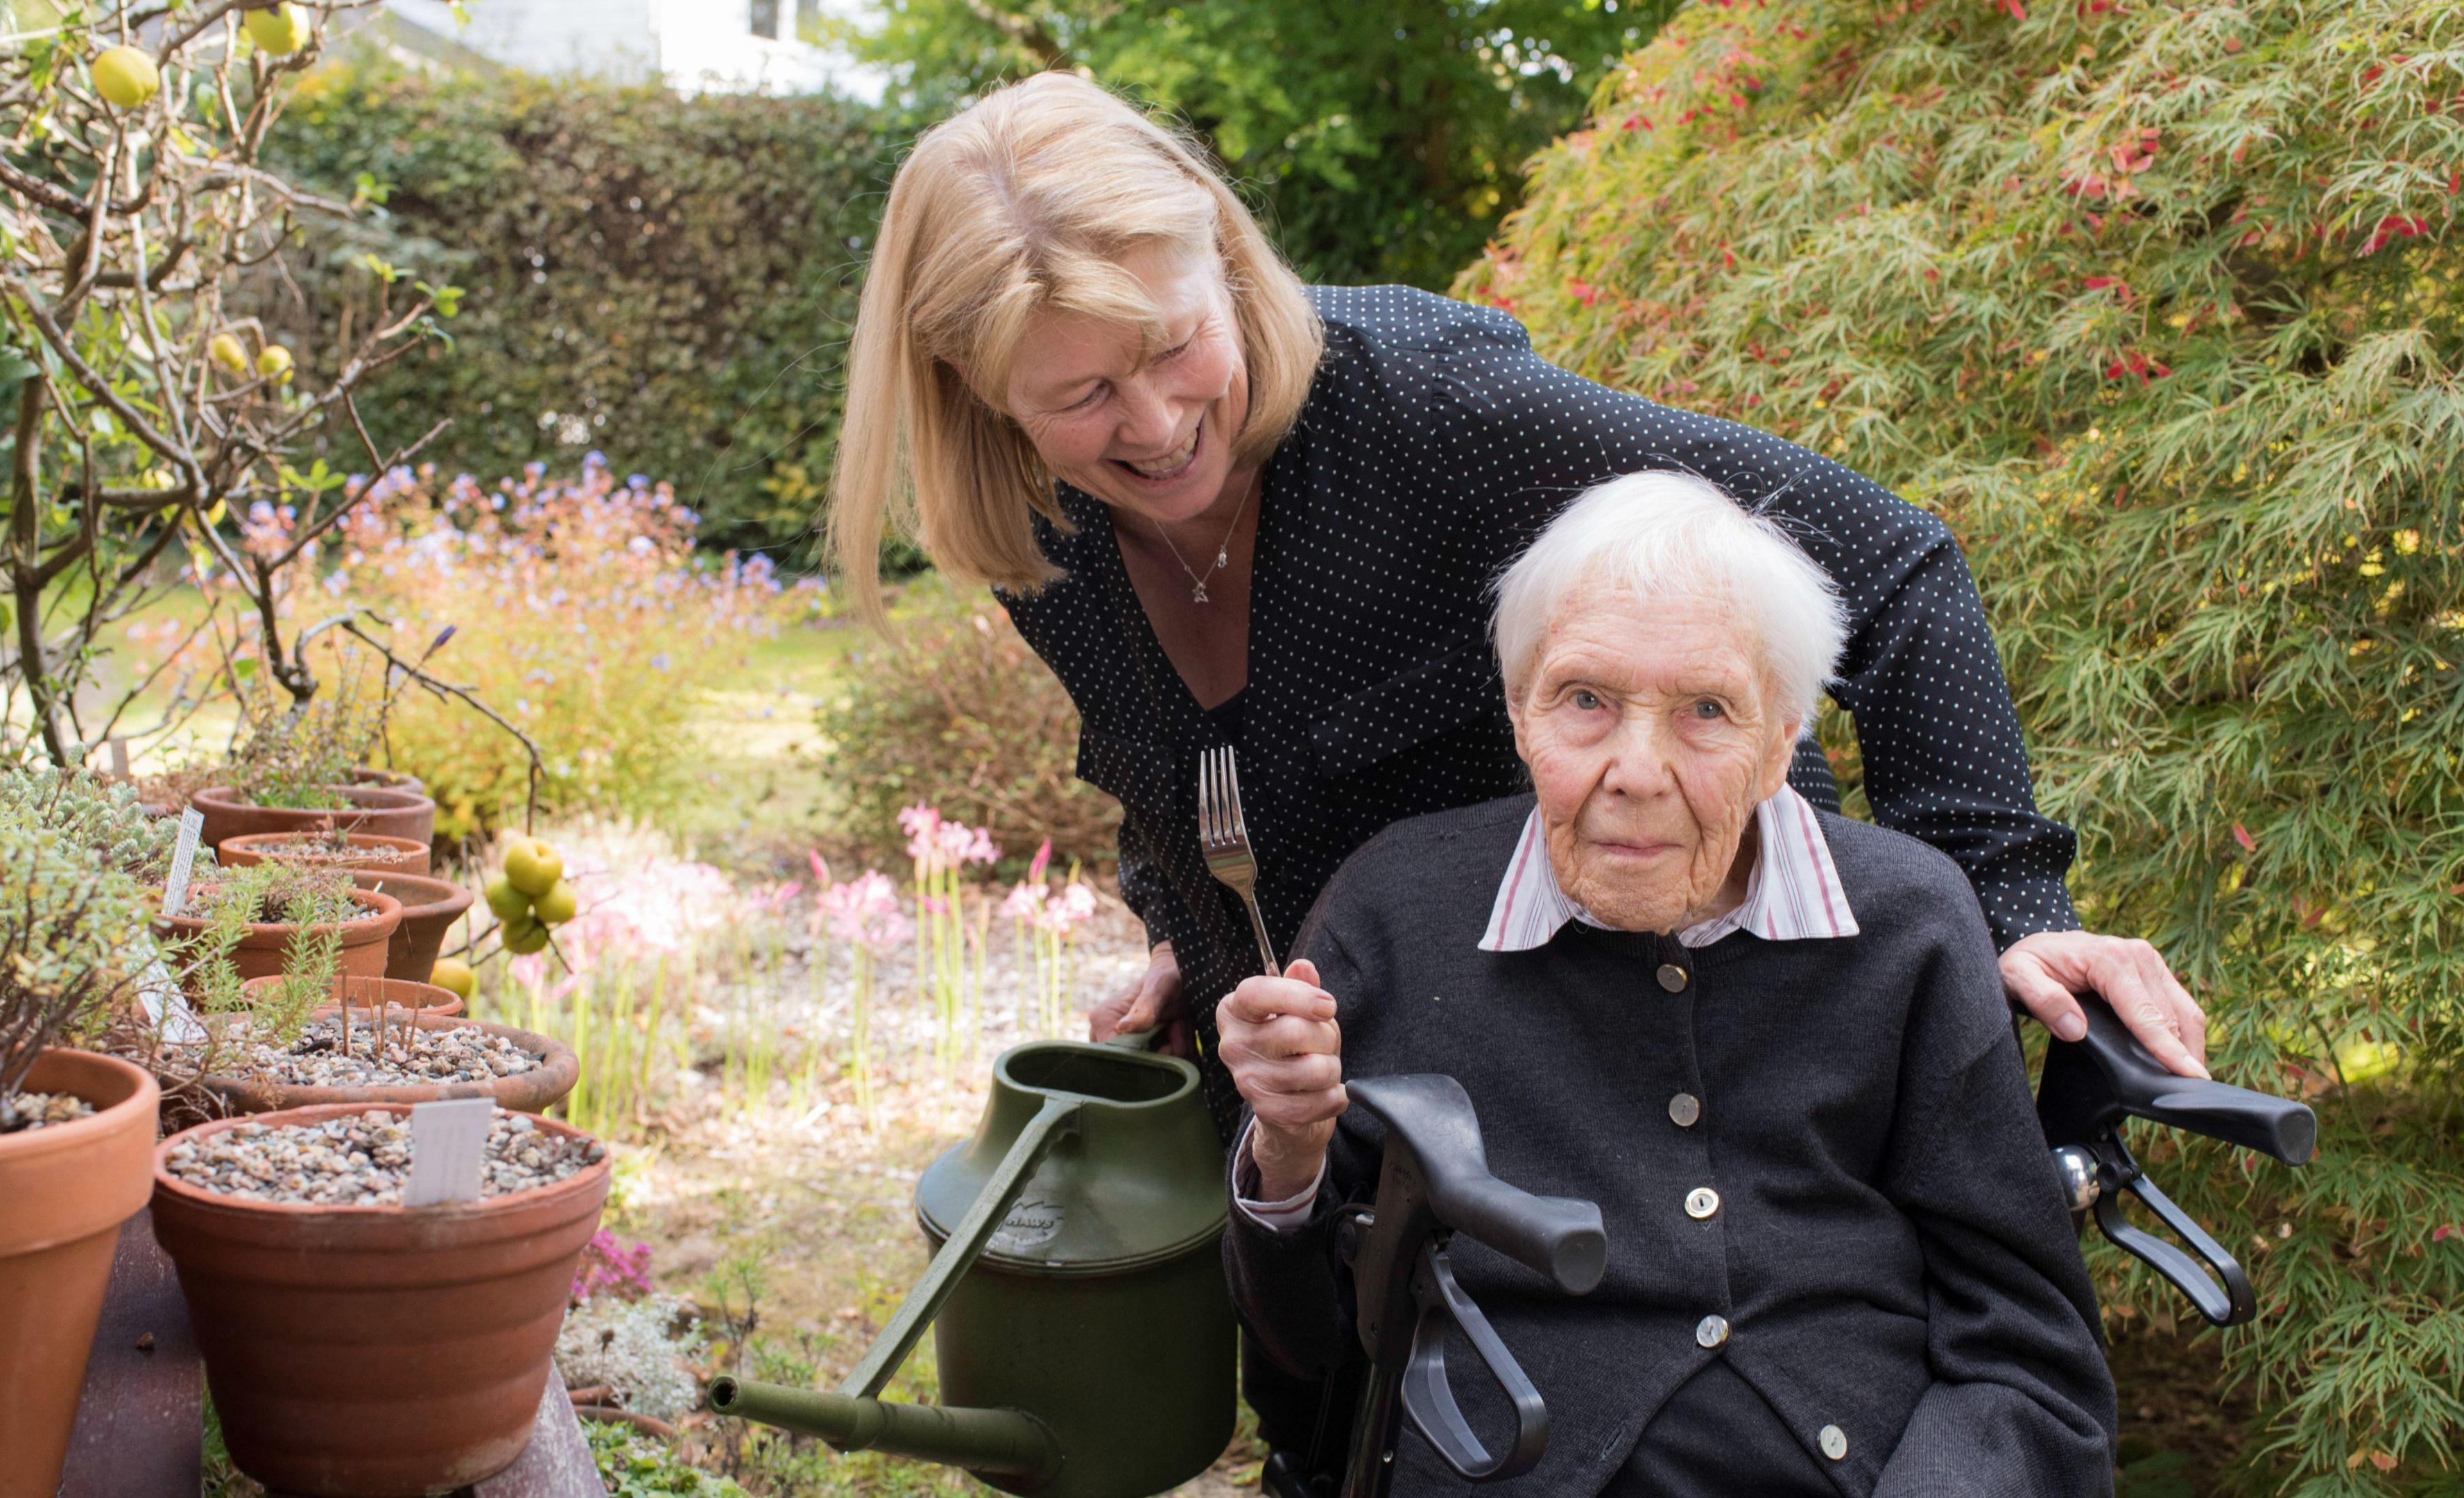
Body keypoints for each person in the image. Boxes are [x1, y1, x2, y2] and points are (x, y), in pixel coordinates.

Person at [829, 72, 2209, 1136]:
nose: (1161, 420)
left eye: (1180, 340)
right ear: (983, 399)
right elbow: (1184, 769)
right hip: (1337, 1103)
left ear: (1228, 268)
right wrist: (1184, 926)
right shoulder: (1045, 534)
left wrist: (2008, 906)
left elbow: (1892, 562)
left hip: (1655, 1050)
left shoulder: (1435, 413)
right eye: (1081, 396)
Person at [1216, 472, 2117, 1495]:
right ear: (1520, 716)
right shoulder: (1397, 906)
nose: (1636, 770)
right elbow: (1306, 1353)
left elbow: (2027, 1353)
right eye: (1586, 701)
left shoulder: (1907, 918)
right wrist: (1288, 1152)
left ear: (1781, 742)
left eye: (1704, 710)